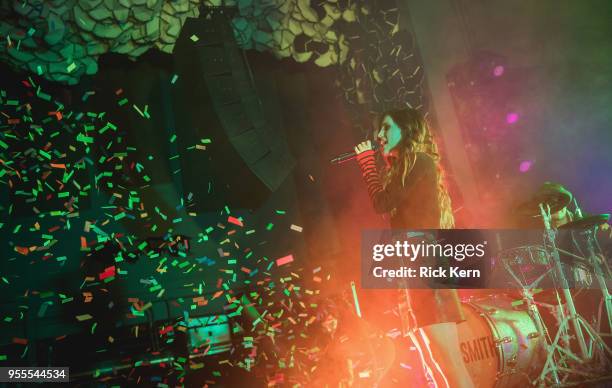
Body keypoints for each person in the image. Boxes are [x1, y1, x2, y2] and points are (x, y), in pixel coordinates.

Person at [354, 107, 474, 388]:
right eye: (379, 129)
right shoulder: (405, 169)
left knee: (450, 363)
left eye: (386, 128)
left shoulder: (419, 162)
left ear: (406, 131)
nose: (379, 135)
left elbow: (382, 203)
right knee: (434, 363)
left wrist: (366, 164)